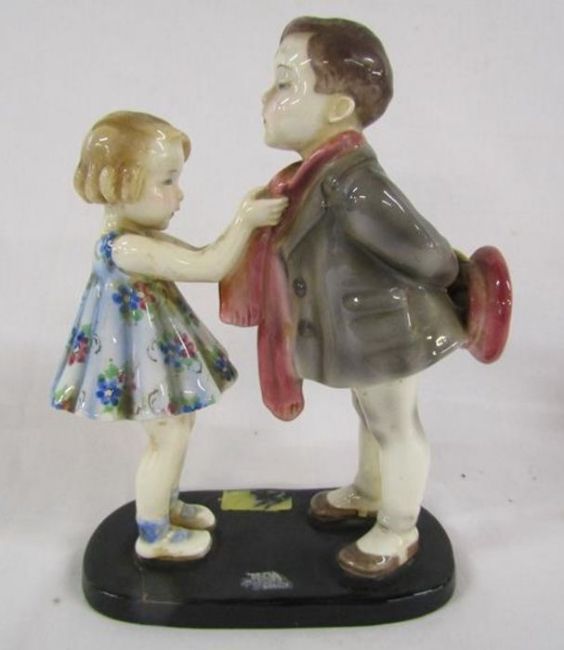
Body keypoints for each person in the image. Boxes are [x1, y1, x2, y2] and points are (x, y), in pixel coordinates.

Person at [220, 17, 477, 579]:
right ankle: (368, 490)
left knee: (394, 424)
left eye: (285, 82)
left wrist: (456, 276)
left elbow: (430, 256)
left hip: (389, 331)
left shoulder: (355, 184)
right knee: (370, 412)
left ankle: (399, 528)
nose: (266, 97)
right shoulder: (315, 176)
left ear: (337, 109)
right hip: (358, 332)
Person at [52, 111, 286, 562]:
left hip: (153, 355)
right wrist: (245, 221)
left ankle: (168, 504)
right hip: (139, 364)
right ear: (120, 184)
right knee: (167, 438)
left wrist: (245, 225)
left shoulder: (137, 236)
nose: (179, 194)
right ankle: (153, 532)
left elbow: (206, 255)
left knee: (178, 428)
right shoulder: (127, 247)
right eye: (167, 181)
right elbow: (208, 266)